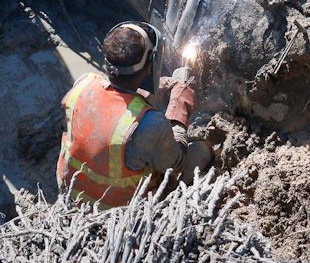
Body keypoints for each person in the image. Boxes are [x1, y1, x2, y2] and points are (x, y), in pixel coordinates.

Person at [57, 22, 212, 208]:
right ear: (149, 66)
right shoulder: (152, 124)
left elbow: (114, 106)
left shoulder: (83, 84)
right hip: (115, 209)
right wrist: (179, 108)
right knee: (201, 150)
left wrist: (152, 91)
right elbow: (175, 164)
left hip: (72, 190)